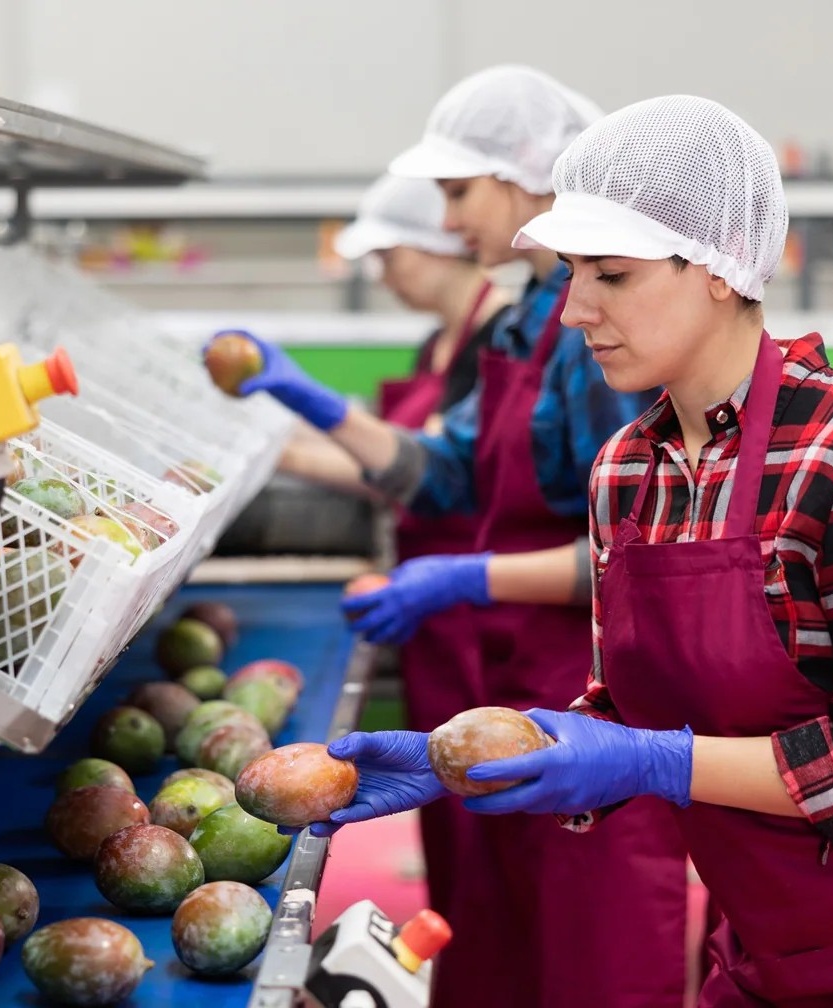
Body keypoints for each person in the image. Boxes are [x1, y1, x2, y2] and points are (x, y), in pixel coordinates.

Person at [318, 94, 833, 1006]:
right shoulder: (628, 471)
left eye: (611, 276)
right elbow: (617, 708)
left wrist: (655, 761)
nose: (571, 312)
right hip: (769, 942)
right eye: (569, 274)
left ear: (718, 268)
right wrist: (462, 759)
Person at [222, 66, 688, 1008]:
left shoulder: (592, 330)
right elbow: (443, 468)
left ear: (527, 176)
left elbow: (635, 559)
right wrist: (309, 404)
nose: (446, 219)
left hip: (594, 695)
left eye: (457, 191)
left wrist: (467, 577)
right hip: (513, 683)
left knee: (593, 958)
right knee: (502, 942)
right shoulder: (524, 321)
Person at [282, 170, 513, 925]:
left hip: (486, 606)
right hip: (435, 612)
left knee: (497, 823)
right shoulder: (434, 346)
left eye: (390, 254)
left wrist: (281, 450)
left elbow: (420, 473)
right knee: (450, 821)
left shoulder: (499, 340)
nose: (382, 272)